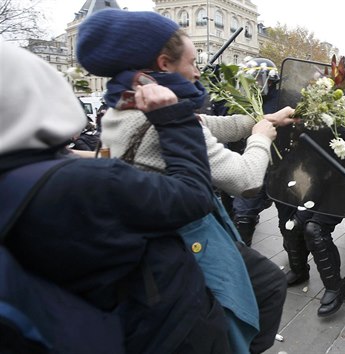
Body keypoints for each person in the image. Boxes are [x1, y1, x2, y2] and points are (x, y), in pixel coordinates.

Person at [77, 9, 293, 353]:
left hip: (159, 234)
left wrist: (263, 119)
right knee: (264, 288)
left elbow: (207, 125)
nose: (197, 71)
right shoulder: (161, 120)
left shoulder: (121, 108)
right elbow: (245, 179)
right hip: (186, 237)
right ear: (164, 64)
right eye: (192, 62)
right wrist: (262, 138)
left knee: (260, 285)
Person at [1, 41, 230, 353]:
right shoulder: (90, 183)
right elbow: (192, 197)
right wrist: (175, 118)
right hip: (167, 326)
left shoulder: (20, 173)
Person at [230, 57, 281, 246]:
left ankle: (298, 269)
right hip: (255, 163)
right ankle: (244, 265)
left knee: (289, 225)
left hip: (280, 169)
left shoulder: (285, 98)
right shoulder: (245, 102)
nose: (252, 84)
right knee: (242, 214)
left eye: (256, 80)